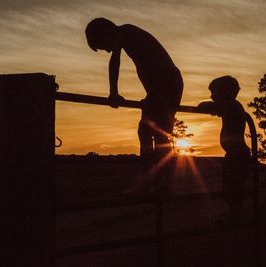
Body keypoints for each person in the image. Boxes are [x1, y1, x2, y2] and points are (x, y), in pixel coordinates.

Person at [85, 18, 183, 193]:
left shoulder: (123, 31)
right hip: (160, 87)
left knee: (155, 133)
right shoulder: (126, 35)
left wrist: (113, 92)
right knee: (149, 132)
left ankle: (157, 184)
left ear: (105, 32)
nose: (106, 50)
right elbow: (148, 64)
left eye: (102, 45)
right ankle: (156, 183)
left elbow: (115, 61)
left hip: (166, 84)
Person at [197, 75, 251, 224]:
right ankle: (233, 216)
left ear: (224, 92)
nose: (211, 96)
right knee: (231, 186)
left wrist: (206, 105)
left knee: (235, 186)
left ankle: (234, 217)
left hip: (238, 155)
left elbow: (216, 107)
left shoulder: (232, 105)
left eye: (214, 93)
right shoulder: (230, 106)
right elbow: (219, 108)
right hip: (234, 154)